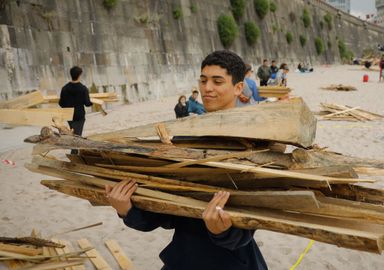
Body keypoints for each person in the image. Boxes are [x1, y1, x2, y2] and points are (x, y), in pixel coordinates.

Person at [105, 50, 268, 270]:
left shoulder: (251, 144)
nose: (207, 88)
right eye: (203, 80)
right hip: (182, 260)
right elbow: (165, 215)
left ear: (238, 88)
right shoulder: (184, 139)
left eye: (217, 81)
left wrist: (223, 232)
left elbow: (250, 225)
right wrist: (127, 210)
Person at [59, 66, 93, 137]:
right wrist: (91, 102)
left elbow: (61, 103)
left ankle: (74, 148)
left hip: (69, 115)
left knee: (73, 135)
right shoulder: (83, 89)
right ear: (80, 75)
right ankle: (75, 148)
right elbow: (87, 103)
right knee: (77, 136)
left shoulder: (64, 88)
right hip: (79, 116)